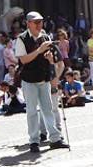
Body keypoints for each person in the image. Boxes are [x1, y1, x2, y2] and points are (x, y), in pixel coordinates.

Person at [15, 11, 69, 153]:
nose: (40, 25)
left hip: (43, 78)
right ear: (28, 23)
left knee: (48, 109)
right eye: (36, 22)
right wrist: (39, 50)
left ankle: (55, 138)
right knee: (32, 111)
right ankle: (34, 141)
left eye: (41, 22)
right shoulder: (21, 39)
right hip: (29, 79)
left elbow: (53, 60)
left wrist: (49, 57)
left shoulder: (45, 37)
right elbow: (23, 59)